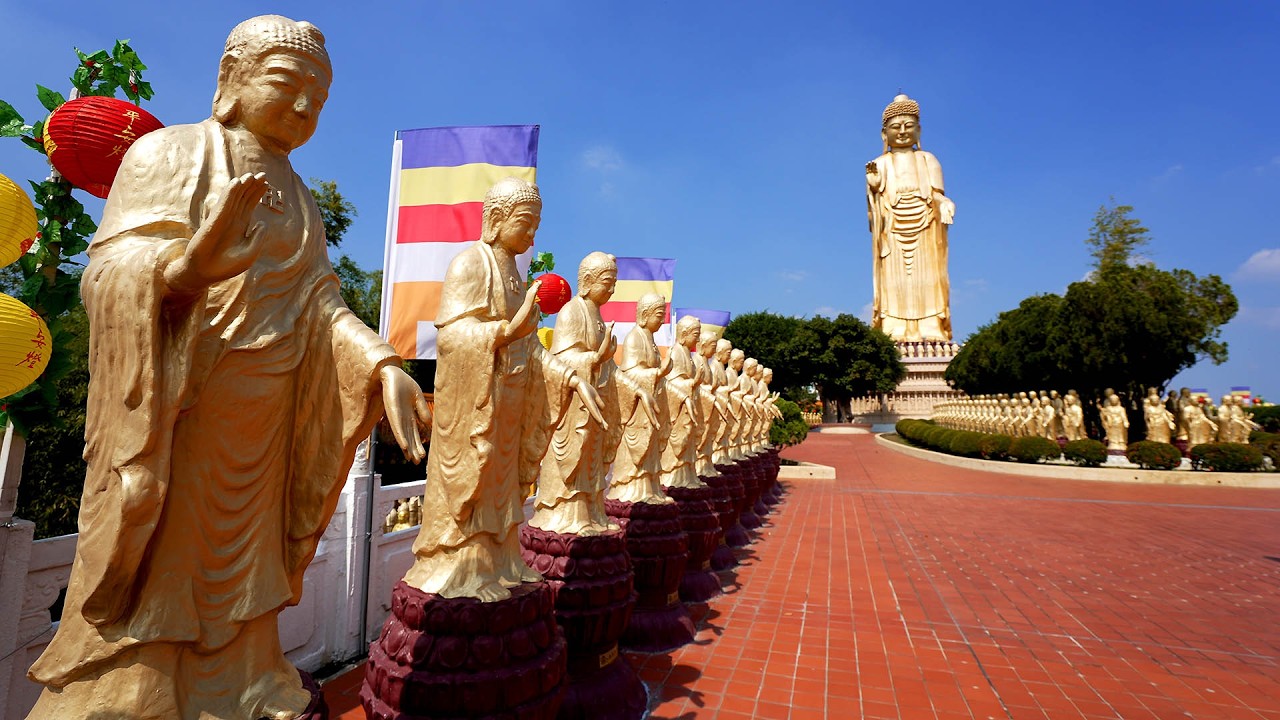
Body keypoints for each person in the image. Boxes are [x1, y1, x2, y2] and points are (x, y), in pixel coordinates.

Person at [27, 16, 432, 720]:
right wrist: (184, 268)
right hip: (180, 402)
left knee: (251, 560)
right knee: (166, 556)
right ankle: (144, 681)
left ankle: (247, 669)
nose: (306, 107)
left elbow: (321, 303)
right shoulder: (166, 155)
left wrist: (382, 362)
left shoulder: (300, 196)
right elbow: (108, 274)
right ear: (231, 80)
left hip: (272, 410)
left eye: (320, 98)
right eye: (288, 84)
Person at [403, 177, 606, 602]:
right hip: (478, 400)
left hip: (511, 401)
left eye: (537, 226)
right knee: (476, 484)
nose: (533, 235)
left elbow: (532, 348)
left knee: (505, 485)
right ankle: (466, 569)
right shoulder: (470, 264)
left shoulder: (516, 276)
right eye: (526, 223)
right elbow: (452, 337)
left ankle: (503, 561)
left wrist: (570, 378)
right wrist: (501, 332)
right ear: (496, 219)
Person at [532, 252, 655, 533]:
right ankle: (567, 516)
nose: (611, 289)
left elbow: (612, 369)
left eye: (614, 284)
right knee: (575, 462)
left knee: (592, 463)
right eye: (607, 282)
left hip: (596, 403)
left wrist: (637, 389)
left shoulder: (597, 317)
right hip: (575, 406)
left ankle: (592, 513)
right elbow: (562, 360)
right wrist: (596, 358)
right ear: (587, 281)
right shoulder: (571, 311)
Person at [865, 94, 956, 342]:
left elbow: (937, 194)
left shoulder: (928, 160)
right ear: (885, 134)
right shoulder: (880, 163)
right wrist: (873, 187)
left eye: (909, 126)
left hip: (925, 226)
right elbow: (874, 206)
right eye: (896, 127)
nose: (902, 132)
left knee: (928, 278)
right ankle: (894, 326)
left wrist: (945, 202)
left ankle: (930, 326)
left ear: (919, 130)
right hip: (893, 230)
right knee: (893, 281)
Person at [607, 293, 673, 504]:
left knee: (651, 452)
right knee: (637, 452)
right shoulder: (635, 337)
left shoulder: (650, 340)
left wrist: (660, 375)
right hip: (638, 408)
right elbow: (630, 374)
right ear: (645, 314)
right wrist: (657, 374)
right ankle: (633, 488)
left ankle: (650, 488)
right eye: (659, 315)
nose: (662, 321)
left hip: (651, 406)